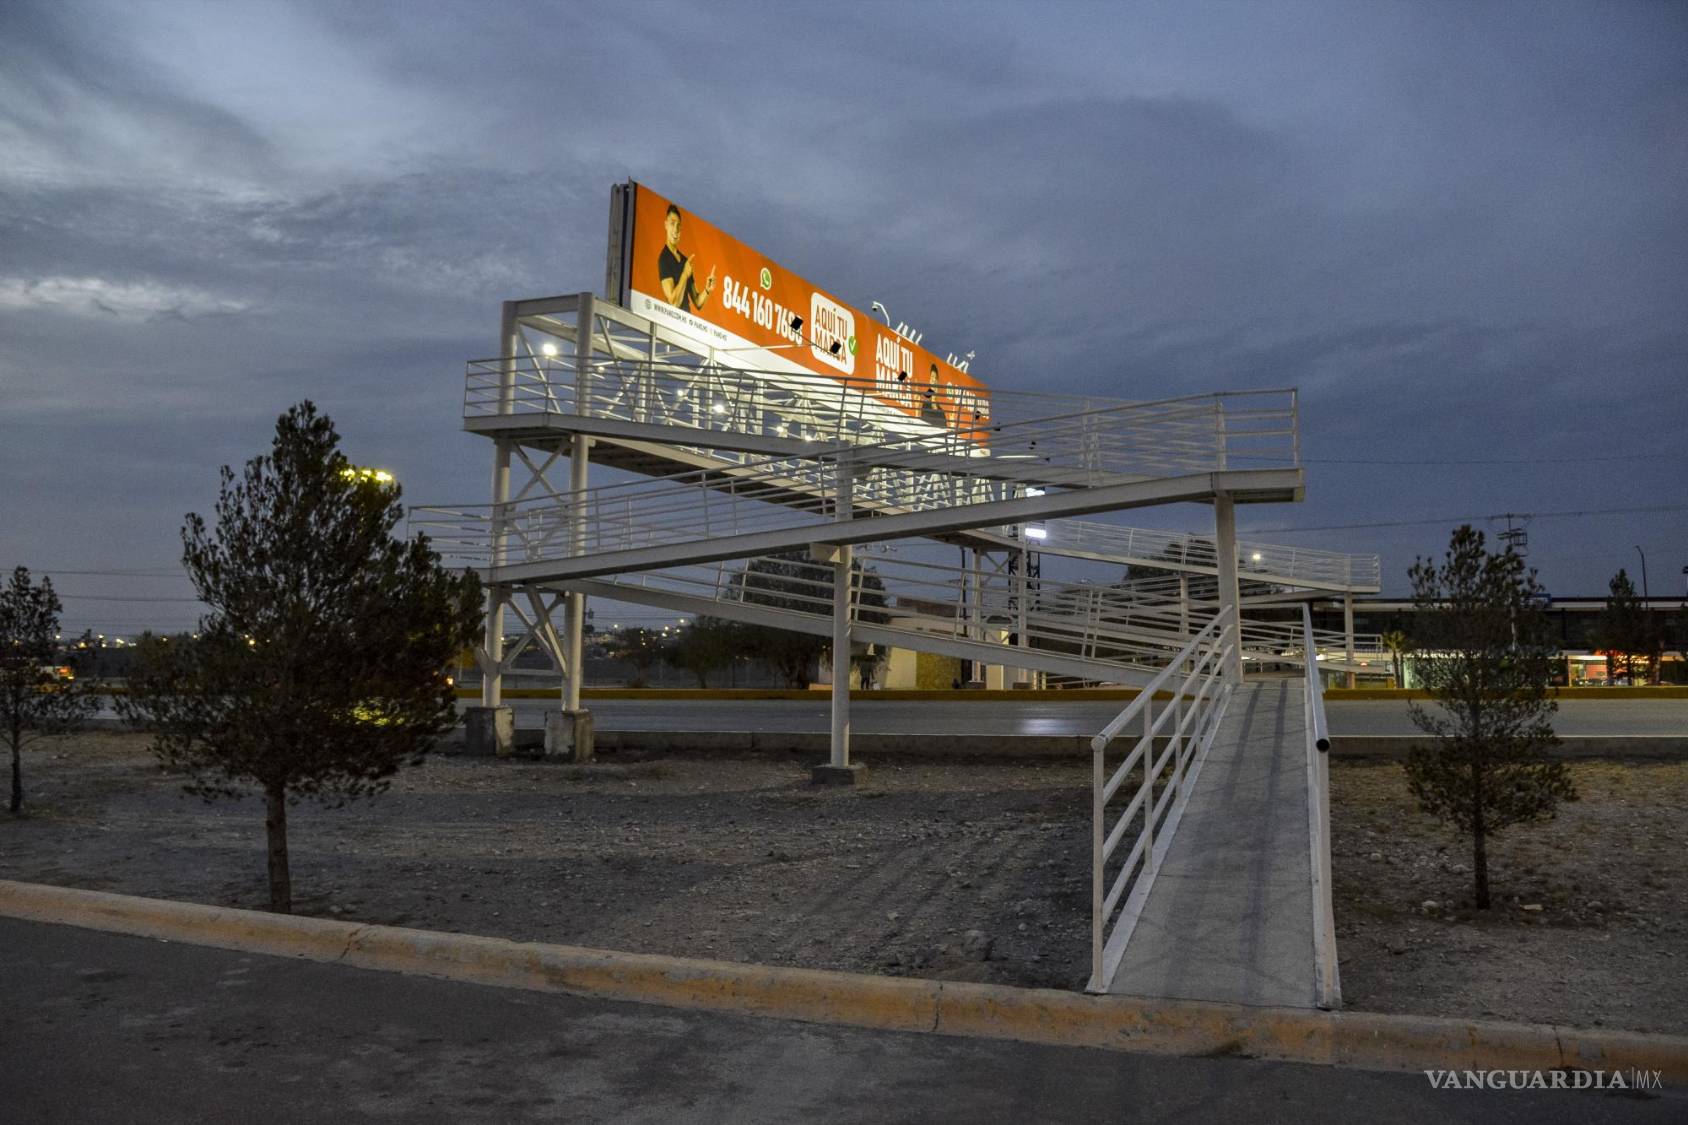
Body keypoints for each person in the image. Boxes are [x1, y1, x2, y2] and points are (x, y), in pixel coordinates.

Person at [657, 204, 716, 311]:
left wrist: (707, 290)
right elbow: (674, 303)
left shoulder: (685, 261)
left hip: (686, 323)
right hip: (673, 324)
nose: (676, 229)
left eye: (678, 225)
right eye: (672, 223)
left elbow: (698, 302)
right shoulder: (664, 259)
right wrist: (684, 274)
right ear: (666, 225)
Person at [919, 362, 948, 426]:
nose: (934, 380)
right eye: (932, 377)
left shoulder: (941, 412)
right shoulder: (924, 405)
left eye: (935, 378)